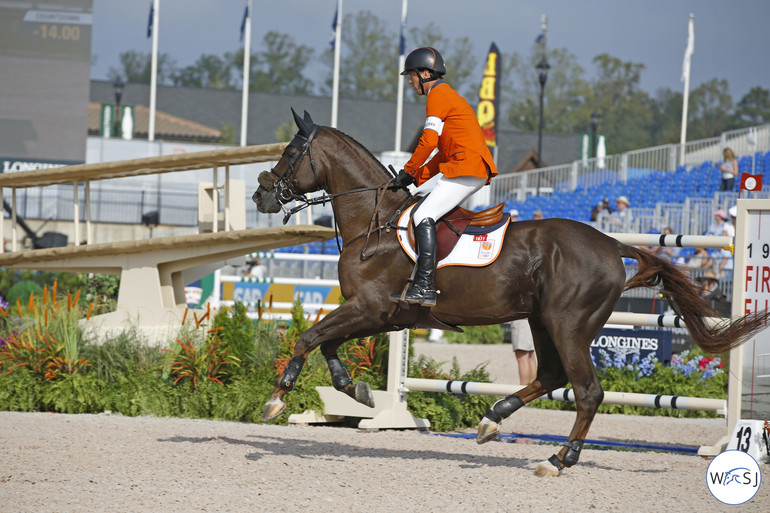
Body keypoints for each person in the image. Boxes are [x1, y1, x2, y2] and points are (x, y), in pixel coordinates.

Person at [389, 47, 497, 306]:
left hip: (466, 168)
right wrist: (413, 180)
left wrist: (408, 170)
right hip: (464, 166)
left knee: (422, 215)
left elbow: (428, 141)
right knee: (423, 208)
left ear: (425, 73)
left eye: (412, 75)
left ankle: (425, 286)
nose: (410, 81)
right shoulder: (445, 96)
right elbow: (439, 156)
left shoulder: (437, 95)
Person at [510, 319, 537, 385]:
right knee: (530, 356)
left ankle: (525, 388)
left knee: (522, 357)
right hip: (530, 318)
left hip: (521, 318)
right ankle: (533, 390)